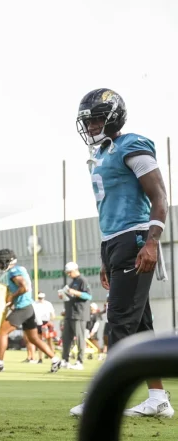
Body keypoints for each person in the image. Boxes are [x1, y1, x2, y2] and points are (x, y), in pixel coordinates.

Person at [71, 88, 173, 418]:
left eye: (97, 119)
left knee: (119, 322)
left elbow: (159, 197)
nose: (91, 126)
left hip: (136, 237)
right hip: (116, 242)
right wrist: (105, 255)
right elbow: (108, 211)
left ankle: (104, 402)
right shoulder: (101, 153)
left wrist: (152, 241)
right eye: (88, 121)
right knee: (140, 325)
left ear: (114, 117)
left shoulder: (132, 144)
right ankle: (158, 398)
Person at [0, 249, 62, 373]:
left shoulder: (14, 271)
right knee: (33, 338)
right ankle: (55, 359)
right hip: (27, 307)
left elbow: (23, 287)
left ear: (7, 261)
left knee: (2, 332)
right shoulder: (19, 270)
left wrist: (11, 297)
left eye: (0, 262)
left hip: (23, 307)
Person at [57, 262, 91, 369]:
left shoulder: (82, 280)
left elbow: (88, 296)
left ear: (75, 270)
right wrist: (63, 295)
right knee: (66, 338)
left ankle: (79, 362)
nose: (68, 274)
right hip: (69, 314)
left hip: (79, 314)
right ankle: (65, 360)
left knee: (79, 339)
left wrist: (75, 292)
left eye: (69, 272)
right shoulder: (72, 282)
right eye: (67, 273)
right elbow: (70, 296)